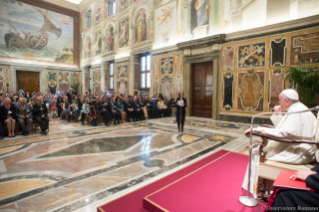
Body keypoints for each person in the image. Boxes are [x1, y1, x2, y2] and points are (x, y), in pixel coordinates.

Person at [243, 89, 317, 197]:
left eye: (280, 100)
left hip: (298, 151)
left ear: (287, 101)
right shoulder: (298, 108)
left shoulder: (297, 111)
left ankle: (257, 189)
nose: (279, 102)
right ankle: (256, 187)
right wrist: (278, 114)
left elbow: (282, 134)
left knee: (256, 152)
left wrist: (257, 130)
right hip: (296, 145)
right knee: (257, 149)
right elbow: (285, 129)